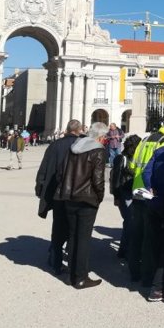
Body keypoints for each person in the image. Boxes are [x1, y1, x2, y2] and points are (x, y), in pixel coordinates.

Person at [128, 117, 164, 285]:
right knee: (150, 238)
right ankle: (148, 276)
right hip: (151, 193)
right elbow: (160, 168)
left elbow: (133, 166)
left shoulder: (146, 138)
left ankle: (133, 272)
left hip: (137, 190)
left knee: (136, 234)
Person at [53, 121, 107, 289]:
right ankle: (81, 277)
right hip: (87, 199)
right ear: (100, 136)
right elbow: (98, 179)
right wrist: (99, 196)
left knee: (73, 235)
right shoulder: (97, 150)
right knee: (83, 239)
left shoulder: (74, 146)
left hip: (69, 197)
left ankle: (71, 275)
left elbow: (61, 172)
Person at [35, 119, 82, 276]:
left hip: (57, 193)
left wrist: (40, 186)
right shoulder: (82, 145)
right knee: (73, 226)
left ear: (67, 129)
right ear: (79, 130)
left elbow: (44, 167)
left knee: (58, 225)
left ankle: (55, 259)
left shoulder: (55, 145)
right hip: (75, 193)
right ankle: (70, 256)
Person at [109, 134, 141, 259]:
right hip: (124, 193)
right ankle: (124, 250)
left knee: (131, 222)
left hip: (133, 193)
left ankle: (126, 249)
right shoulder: (121, 158)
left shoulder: (136, 157)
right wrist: (116, 197)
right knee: (130, 222)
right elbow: (115, 179)